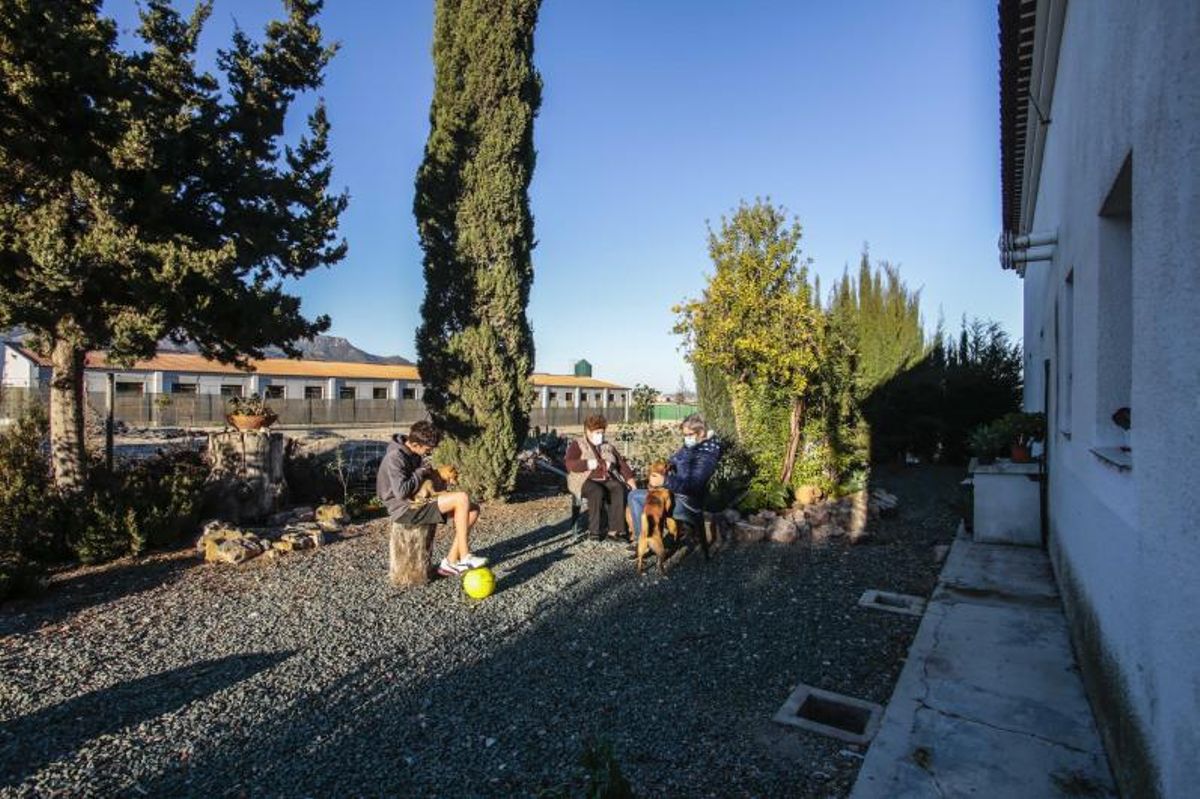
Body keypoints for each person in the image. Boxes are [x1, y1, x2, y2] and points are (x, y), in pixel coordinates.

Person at [375, 420, 485, 577]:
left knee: (473, 510)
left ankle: (450, 562)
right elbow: (401, 492)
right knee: (462, 498)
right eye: (427, 450)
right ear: (415, 444)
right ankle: (465, 556)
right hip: (404, 508)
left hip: (419, 502)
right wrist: (421, 472)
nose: (428, 453)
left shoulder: (413, 454)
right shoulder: (395, 457)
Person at [628, 413, 725, 541]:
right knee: (639, 494)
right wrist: (662, 468)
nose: (686, 438)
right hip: (676, 494)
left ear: (701, 432)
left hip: (688, 503)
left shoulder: (706, 456)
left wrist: (665, 480)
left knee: (634, 496)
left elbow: (693, 486)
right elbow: (673, 460)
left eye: (689, 435)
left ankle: (644, 540)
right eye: (684, 435)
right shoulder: (690, 447)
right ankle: (648, 536)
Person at [565, 414, 637, 541]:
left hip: (604, 479)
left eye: (602, 432)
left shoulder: (608, 446)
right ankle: (594, 531)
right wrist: (591, 463)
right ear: (588, 431)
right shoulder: (578, 444)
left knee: (618, 487)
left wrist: (630, 480)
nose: (601, 435)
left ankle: (615, 531)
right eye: (597, 432)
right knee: (596, 490)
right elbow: (570, 463)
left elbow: (621, 465)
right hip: (582, 480)